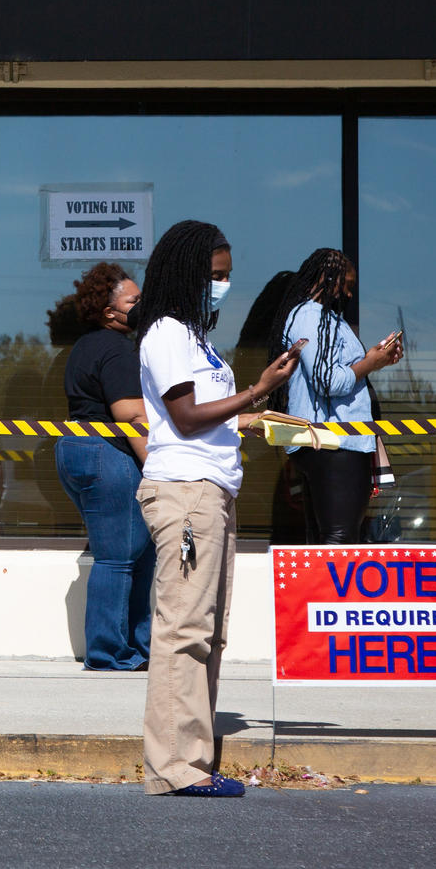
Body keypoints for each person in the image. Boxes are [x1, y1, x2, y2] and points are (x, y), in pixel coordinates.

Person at [130, 219, 301, 799]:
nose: (222, 286)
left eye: (227, 276)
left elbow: (207, 412)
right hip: (185, 494)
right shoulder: (168, 333)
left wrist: (253, 417)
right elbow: (183, 418)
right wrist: (256, 389)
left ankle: (193, 762)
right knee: (184, 631)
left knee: (208, 631)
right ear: (187, 274)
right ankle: (174, 769)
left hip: (211, 491)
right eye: (215, 276)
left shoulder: (195, 338)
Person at [271, 249, 403, 545]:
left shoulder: (326, 318)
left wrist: (377, 360)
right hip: (335, 442)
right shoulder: (309, 315)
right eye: (346, 283)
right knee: (339, 542)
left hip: (336, 442)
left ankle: (323, 592)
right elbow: (327, 380)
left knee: (328, 541)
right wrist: (371, 362)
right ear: (325, 278)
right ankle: (331, 594)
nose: (349, 292)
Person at [55, 263, 152, 671]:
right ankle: (109, 653)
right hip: (106, 451)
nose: (142, 305)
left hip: (77, 449)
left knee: (133, 552)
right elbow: (130, 412)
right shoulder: (115, 349)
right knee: (120, 556)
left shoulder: (86, 346)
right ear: (110, 312)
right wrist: (156, 463)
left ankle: (138, 646)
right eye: (134, 301)